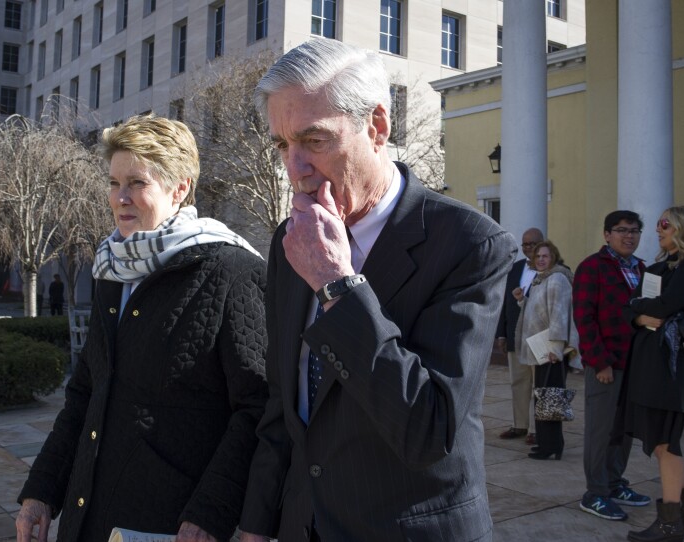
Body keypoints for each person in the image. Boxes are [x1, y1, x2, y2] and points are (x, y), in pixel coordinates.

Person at [238, 38, 517, 542]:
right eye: (282, 145)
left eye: (315, 140)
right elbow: (283, 404)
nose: (295, 169)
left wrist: (336, 285)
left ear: (378, 127)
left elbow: (430, 429)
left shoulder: (469, 243)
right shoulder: (290, 241)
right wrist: (257, 524)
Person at [15, 115, 269, 542]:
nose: (121, 198)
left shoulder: (233, 273)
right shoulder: (111, 271)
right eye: (114, 183)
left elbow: (258, 408)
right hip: (87, 518)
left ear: (181, 187)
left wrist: (211, 513)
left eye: (137, 183)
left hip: (170, 525)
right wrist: (41, 492)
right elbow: (85, 393)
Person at [618, 206, 684, 541]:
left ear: (683, 227)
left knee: (665, 442)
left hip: (669, 366)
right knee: (661, 442)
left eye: (664, 224)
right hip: (650, 364)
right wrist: (641, 314)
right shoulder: (658, 267)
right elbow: (633, 308)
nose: (658, 229)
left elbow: (664, 307)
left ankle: (672, 522)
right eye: (659, 224)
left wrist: (639, 311)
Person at [573, 210, 651, 521]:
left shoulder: (644, 269)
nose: (628, 236)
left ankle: (615, 483)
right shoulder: (593, 267)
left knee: (624, 431)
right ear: (607, 235)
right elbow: (584, 318)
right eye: (621, 230)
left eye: (634, 231)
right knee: (601, 431)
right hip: (606, 365)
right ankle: (595, 493)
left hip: (636, 366)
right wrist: (599, 362)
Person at [512, 240, 580, 461]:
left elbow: (559, 316)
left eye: (545, 256)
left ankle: (551, 446)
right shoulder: (542, 280)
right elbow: (538, 312)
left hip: (550, 352)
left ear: (553, 258)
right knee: (543, 397)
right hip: (540, 350)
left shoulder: (557, 279)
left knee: (550, 398)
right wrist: (523, 300)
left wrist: (556, 349)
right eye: (538, 256)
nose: (540, 259)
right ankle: (546, 443)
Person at [496, 227, 544, 445]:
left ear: (542, 244)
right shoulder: (514, 269)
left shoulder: (553, 270)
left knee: (538, 384)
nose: (528, 248)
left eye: (532, 244)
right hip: (516, 335)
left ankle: (537, 428)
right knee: (518, 381)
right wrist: (502, 335)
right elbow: (505, 303)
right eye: (525, 244)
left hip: (539, 337)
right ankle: (520, 425)